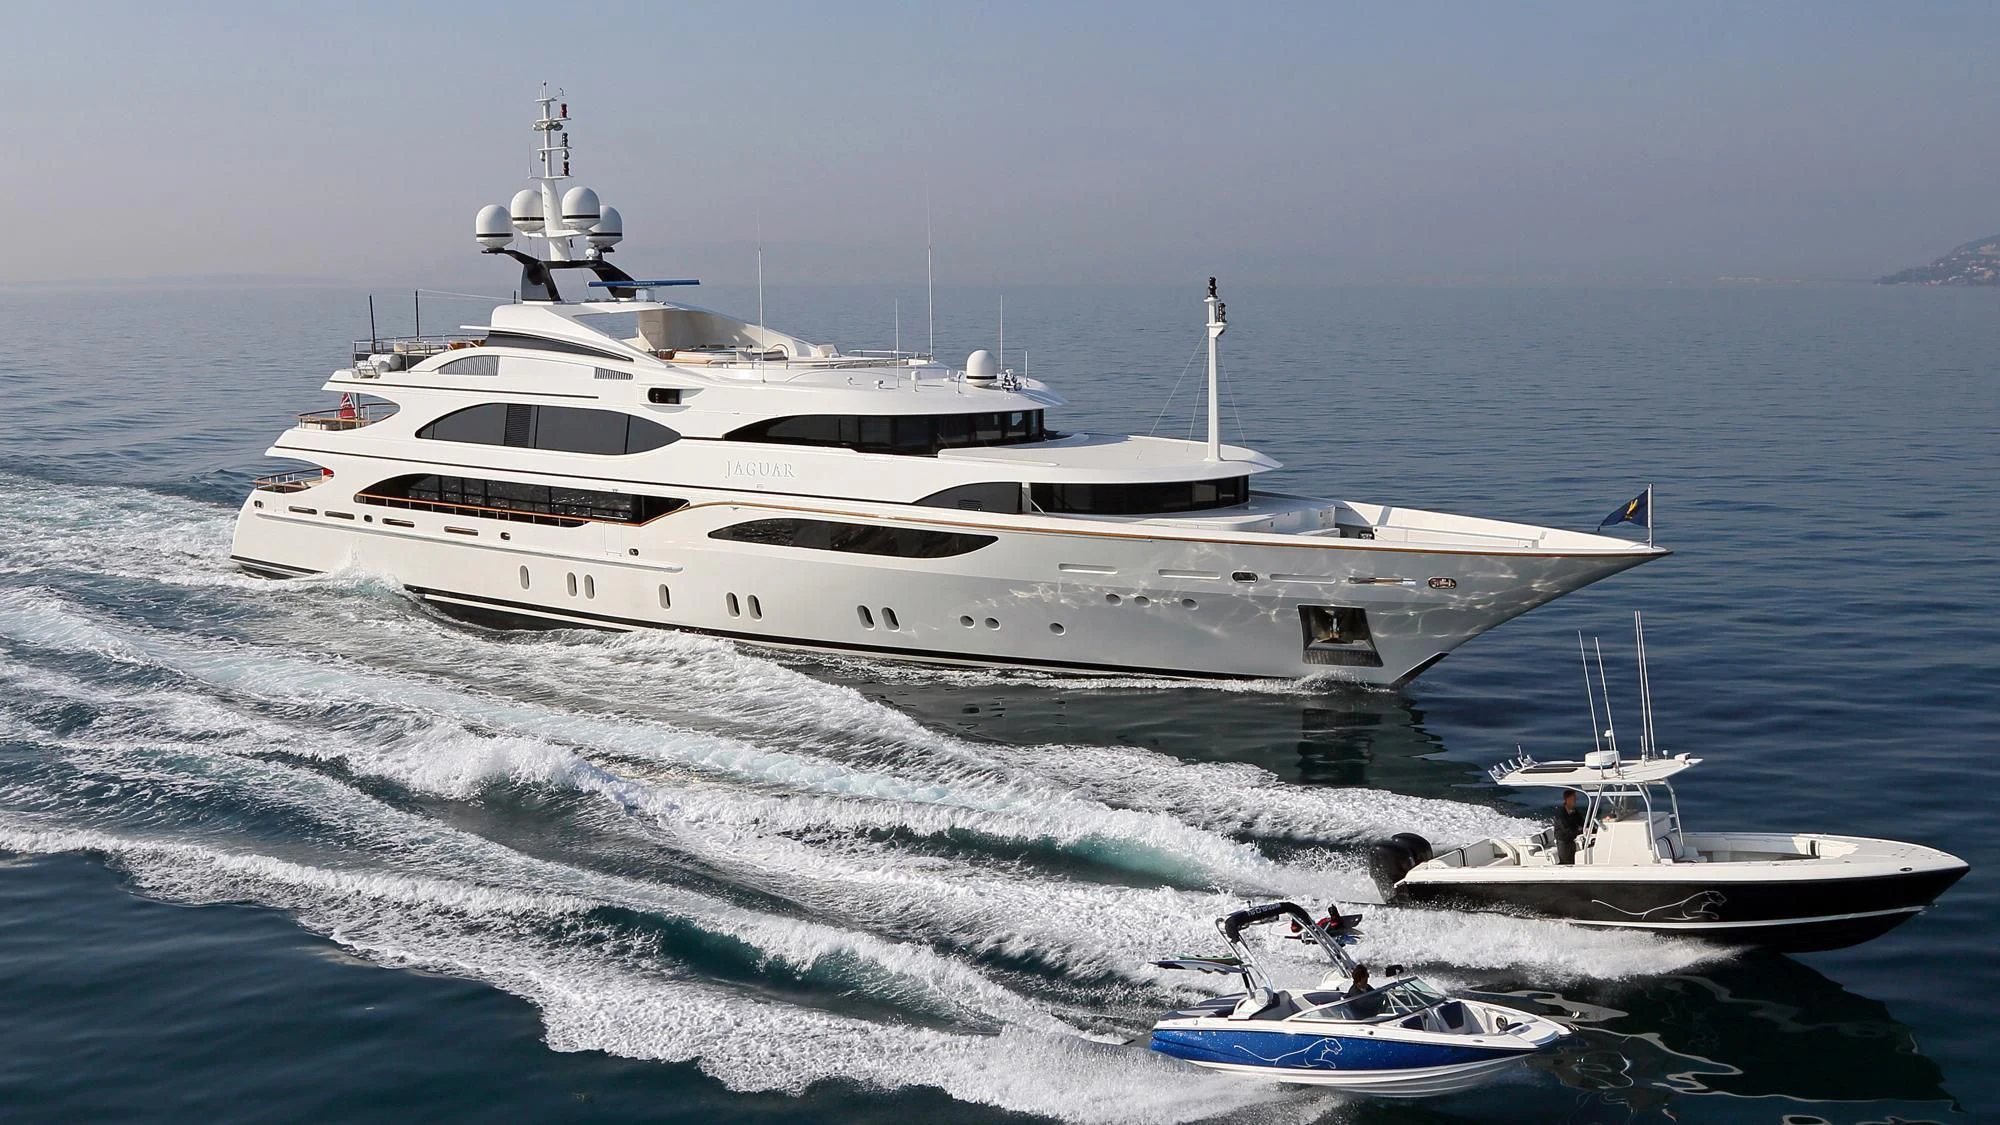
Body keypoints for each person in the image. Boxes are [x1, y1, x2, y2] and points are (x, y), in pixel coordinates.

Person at [1554, 789, 1586, 865]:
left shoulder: (1574, 811)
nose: (1576, 800)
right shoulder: (1561, 813)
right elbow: (1566, 830)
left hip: (1571, 840)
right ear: (1567, 799)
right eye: (1573, 798)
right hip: (1563, 841)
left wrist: (1592, 828)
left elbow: (1582, 822)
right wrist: (1581, 831)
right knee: (1566, 863)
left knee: (1572, 862)